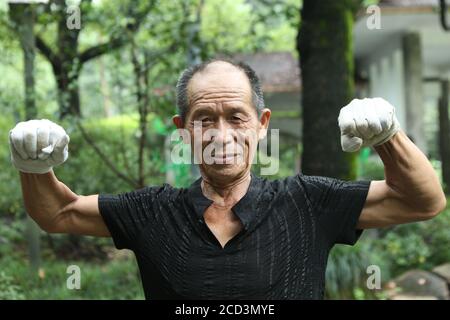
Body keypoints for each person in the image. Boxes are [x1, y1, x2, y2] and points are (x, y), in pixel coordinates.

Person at [9, 59, 446, 299]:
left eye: (236, 117)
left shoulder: (308, 202)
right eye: (204, 119)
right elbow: (58, 212)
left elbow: (422, 201)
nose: (221, 134)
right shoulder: (152, 212)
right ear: (184, 130)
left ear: (261, 124)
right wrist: (33, 163)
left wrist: (389, 136)